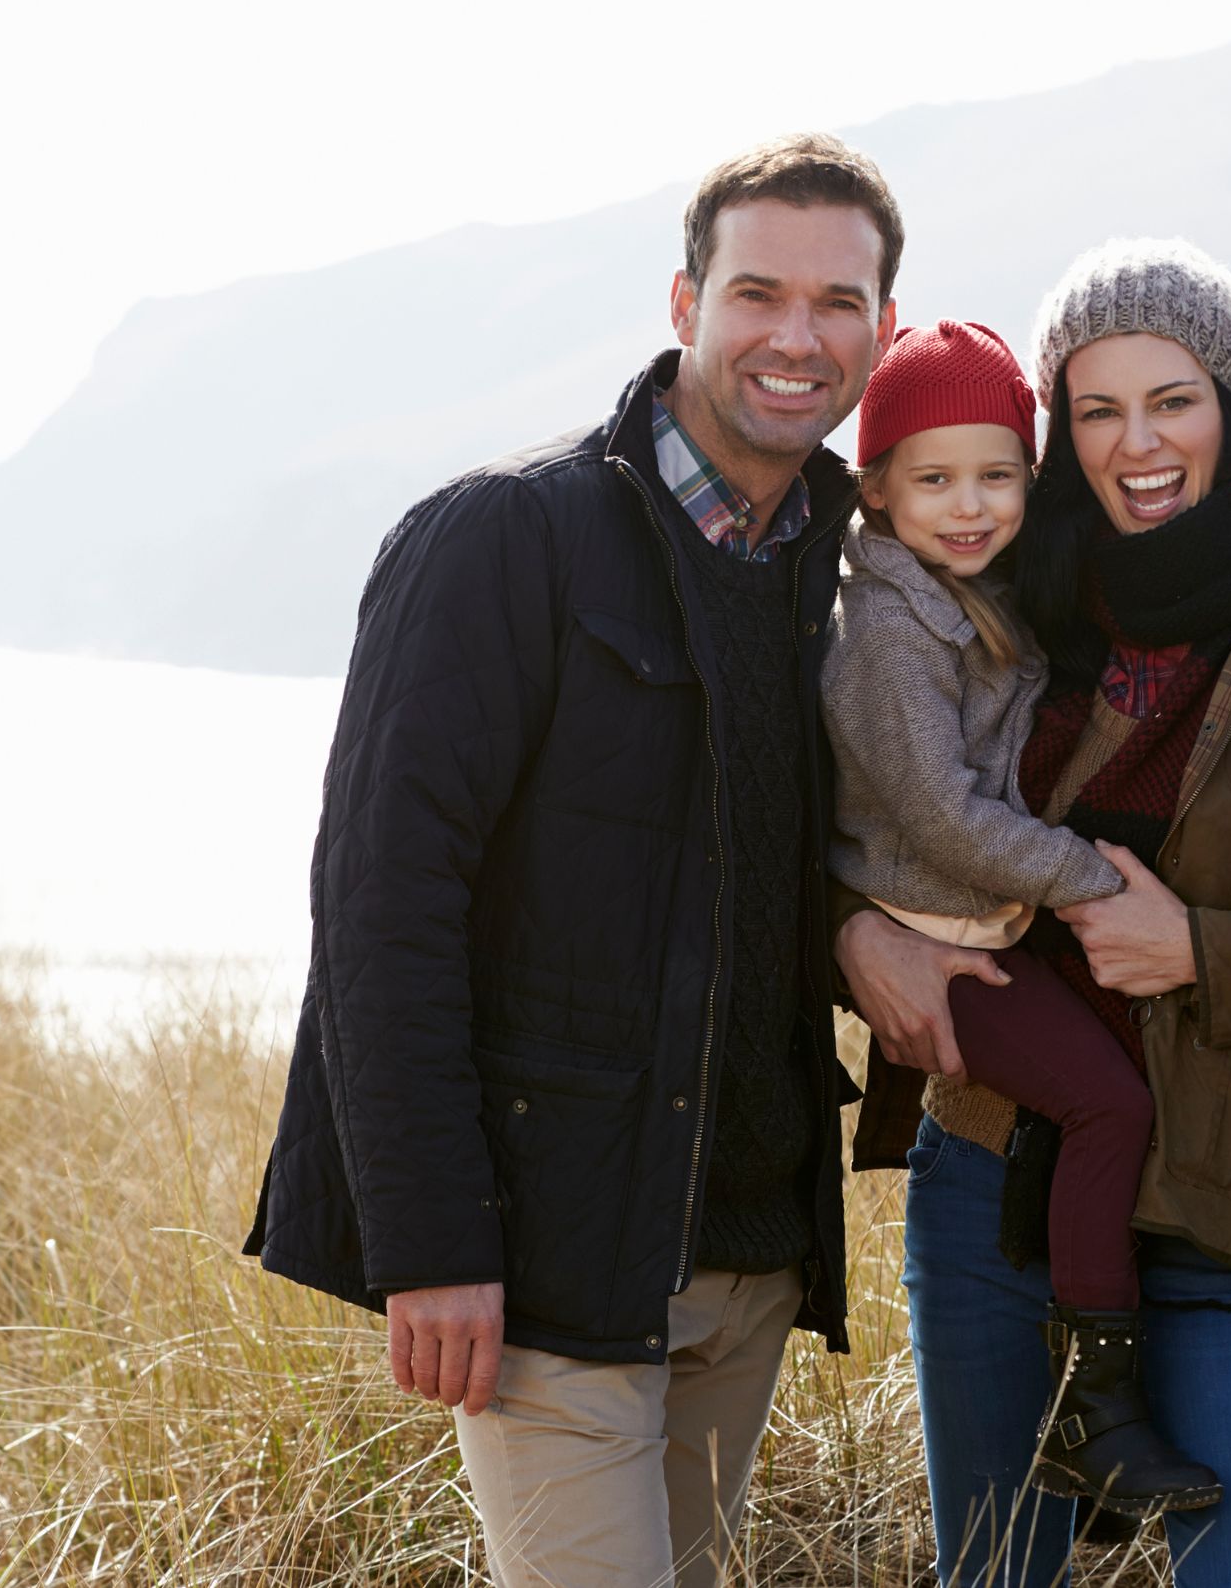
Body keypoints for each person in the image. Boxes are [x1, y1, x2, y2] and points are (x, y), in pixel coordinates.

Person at [241, 133, 901, 1588]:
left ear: (884, 330)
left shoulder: (849, 566)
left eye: (838, 302)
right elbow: (379, 905)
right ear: (684, 302)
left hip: (746, 1254)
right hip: (548, 1257)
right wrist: (429, 1237)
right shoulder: (504, 538)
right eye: (758, 293)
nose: (798, 336)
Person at [838, 238, 1231, 1586]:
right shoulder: (1008, 594)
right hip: (996, 1172)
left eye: (1172, 400)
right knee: (999, 1569)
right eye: (1096, 408)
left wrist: (1200, 950)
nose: (1138, 443)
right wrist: (853, 932)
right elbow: (864, 803)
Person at [822, 319, 1219, 1516]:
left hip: (980, 921)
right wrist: (1092, 878)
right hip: (937, 930)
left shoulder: (975, 594)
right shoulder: (886, 628)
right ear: (877, 487)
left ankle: (1086, 1408)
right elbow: (942, 817)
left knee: (1105, 1095)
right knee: (1109, 1103)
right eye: (934, 479)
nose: (969, 505)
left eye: (997, 475)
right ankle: (1097, 1411)